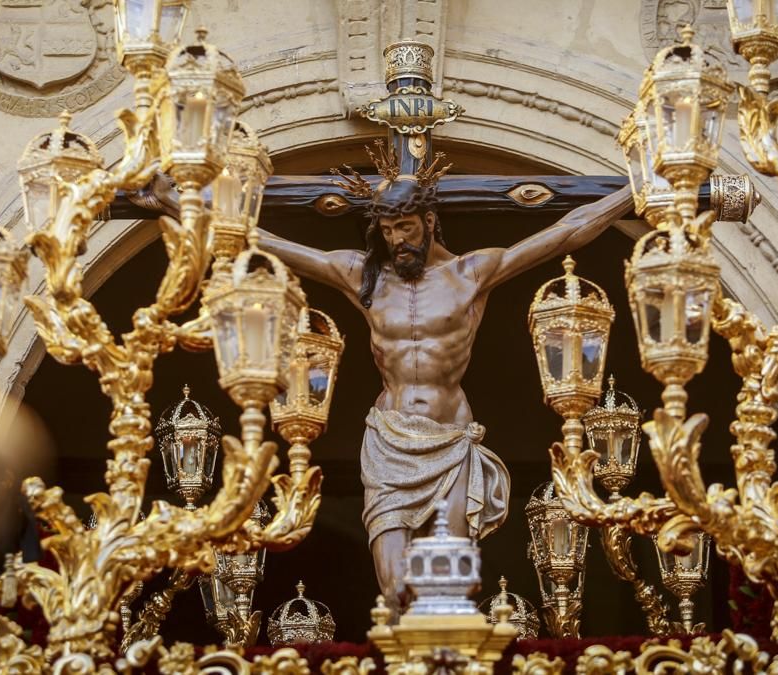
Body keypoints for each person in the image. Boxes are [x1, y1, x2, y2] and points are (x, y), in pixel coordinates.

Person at [151, 142, 633, 616]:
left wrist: (634, 190)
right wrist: (174, 201)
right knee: (395, 584)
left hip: (448, 442)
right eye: (387, 230)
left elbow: (566, 232)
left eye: (405, 227)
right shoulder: (361, 275)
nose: (397, 240)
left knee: (451, 583)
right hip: (389, 439)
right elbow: (258, 238)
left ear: (428, 222)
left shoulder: (470, 274)